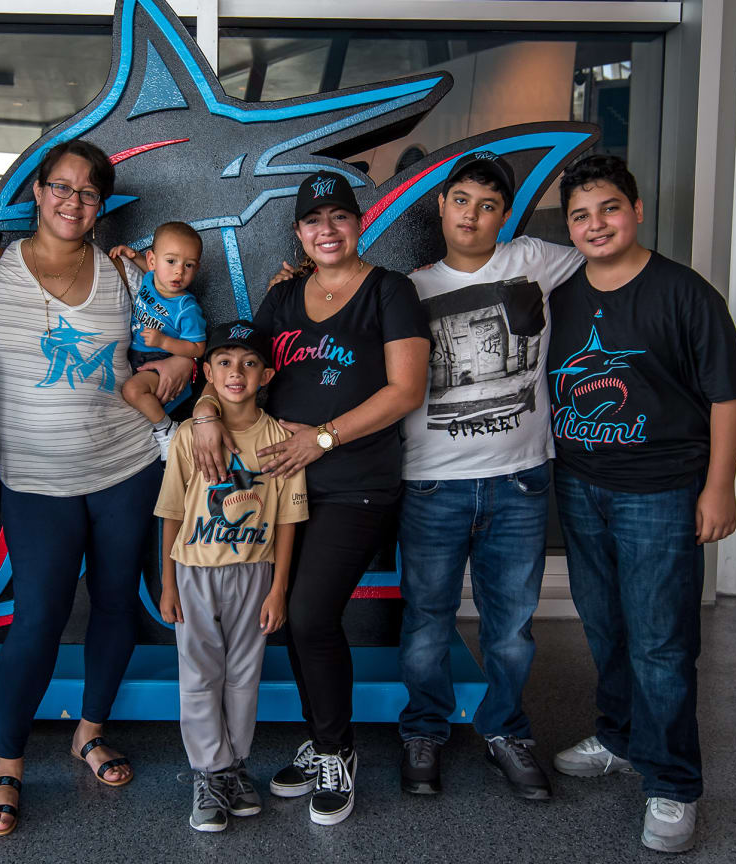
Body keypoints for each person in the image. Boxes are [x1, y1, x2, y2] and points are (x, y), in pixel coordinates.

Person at [191, 170, 429, 826]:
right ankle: (324, 735)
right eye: (313, 220)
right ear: (298, 232)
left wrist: (322, 438)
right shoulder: (285, 296)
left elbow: (405, 390)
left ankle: (336, 752)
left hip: (355, 485)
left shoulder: (391, 291)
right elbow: (234, 364)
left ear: (360, 224)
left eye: (340, 217)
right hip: (278, 488)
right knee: (288, 617)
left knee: (308, 611)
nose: (327, 229)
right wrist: (208, 411)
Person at [0, 139, 195, 837]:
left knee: (113, 607)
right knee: (37, 615)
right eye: (61, 187)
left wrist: (175, 376)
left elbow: (182, 354)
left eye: (88, 192)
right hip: (35, 479)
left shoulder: (127, 278)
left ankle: (89, 731)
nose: (73, 201)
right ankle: (6, 764)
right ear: (37, 192)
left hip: (126, 468)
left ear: (102, 206)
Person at [544, 154, 736, 854]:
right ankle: (622, 736)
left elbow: (730, 393)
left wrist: (719, 485)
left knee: (662, 643)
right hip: (580, 484)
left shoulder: (684, 293)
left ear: (635, 210)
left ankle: (672, 783)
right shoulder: (563, 293)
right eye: (580, 215)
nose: (595, 224)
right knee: (604, 627)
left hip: (661, 492)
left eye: (608, 209)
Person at [394, 151, 584, 798]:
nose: (471, 214)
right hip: (431, 483)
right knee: (426, 620)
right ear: (441, 207)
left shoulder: (532, 260)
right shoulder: (407, 288)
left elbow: (602, 255)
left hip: (521, 478)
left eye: (487, 204)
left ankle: (506, 729)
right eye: (461, 200)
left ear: (504, 216)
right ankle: (424, 729)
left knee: (510, 627)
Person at [155, 320, 308, 832]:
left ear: (266, 374)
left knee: (244, 675)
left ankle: (234, 766)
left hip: (255, 574)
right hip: (195, 572)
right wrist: (169, 582)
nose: (236, 372)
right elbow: (171, 511)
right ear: (206, 371)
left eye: (248, 363)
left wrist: (279, 587)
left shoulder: (282, 438)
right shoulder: (186, 435)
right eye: (224, 361)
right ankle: (209, 771)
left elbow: (287, 518)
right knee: (200, 676)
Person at [109, 222, 209, 455]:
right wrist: (132, 255)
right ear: (153, 261)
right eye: (171, 261)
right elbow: (148, 268)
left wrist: (164, 341)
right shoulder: (150, 278)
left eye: (189, 265)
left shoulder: (186, 308)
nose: (179, 271)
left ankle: (166, 430)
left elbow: (197, 347)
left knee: (132, 391)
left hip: (163, 359)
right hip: (137, 355)